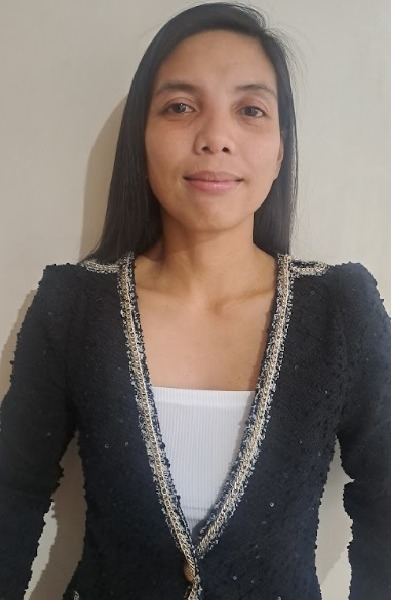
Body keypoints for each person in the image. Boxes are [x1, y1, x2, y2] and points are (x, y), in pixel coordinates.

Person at [0, 3, 390, 599]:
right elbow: (13, 491)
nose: (215, 138)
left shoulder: (341, 309)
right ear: (142, 138)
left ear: (280, 149)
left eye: (251, 110)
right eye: (180, 107)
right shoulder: (72, 305)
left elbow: (388, 499)